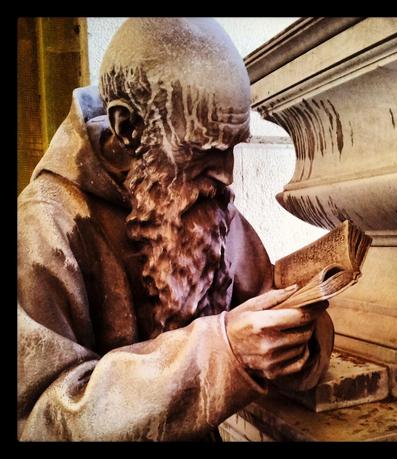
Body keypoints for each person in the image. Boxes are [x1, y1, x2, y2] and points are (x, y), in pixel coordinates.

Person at [17, 17, 334, 441]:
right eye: (206, 149)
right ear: (129, 129)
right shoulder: (44, 226)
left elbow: (261, 298)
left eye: (234, 147)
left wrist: (296, 337)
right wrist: (220, 352)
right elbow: (40, 420)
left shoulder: (204, 201)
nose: (227, 175)